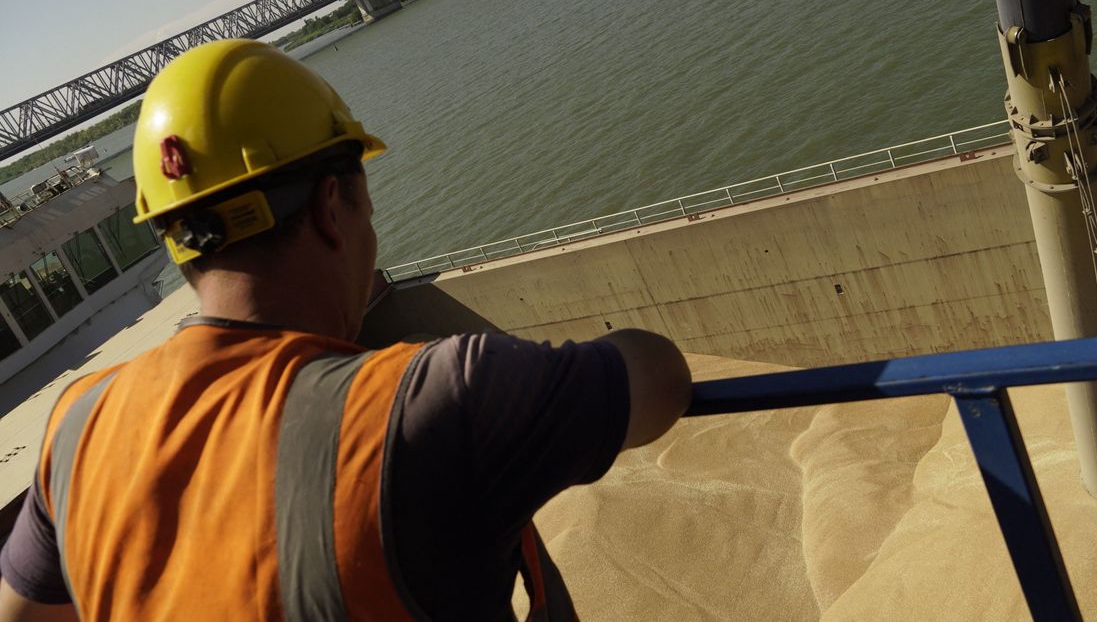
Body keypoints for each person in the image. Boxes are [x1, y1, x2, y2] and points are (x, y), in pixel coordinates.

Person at [0, 39, 692, 621]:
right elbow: (659, 377)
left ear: (178, 239)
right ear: (333, 205)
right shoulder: (439, 399)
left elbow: (21, 612)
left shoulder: (75, 427)